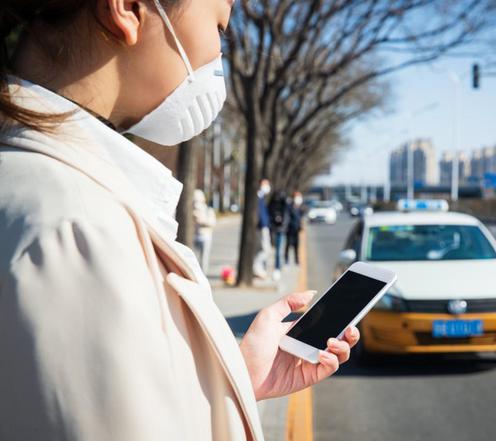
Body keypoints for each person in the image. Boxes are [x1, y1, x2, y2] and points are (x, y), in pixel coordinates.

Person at [0, 2, 360, 440]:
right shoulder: (82, 228)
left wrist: (237, 379)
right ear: (129, 9)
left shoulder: (46, 192)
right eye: (220, 29)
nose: (218, 57)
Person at [193, 189, 216, 274]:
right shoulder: (193, 211)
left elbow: (212, 222)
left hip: (206, 237)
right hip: (195, 237)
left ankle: (203, 276)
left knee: (204, 260)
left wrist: (202, 220)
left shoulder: (208, 210)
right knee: (194, 259)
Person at [253, 178, 271, 279]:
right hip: (261, 227)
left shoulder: (262, 197)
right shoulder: (257, 197)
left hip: (264, 226)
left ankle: (258, 269)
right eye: (265, 184)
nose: (267, 186)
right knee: (266, 249)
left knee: (262, 249)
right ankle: (256, 267)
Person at [268, 190, 289, 281]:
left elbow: (286, 217)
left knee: (279, 250)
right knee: (275, 249)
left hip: (281, 230)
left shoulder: (284, 206)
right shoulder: (271, 205)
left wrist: (282, 223)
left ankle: (278, 267)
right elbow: (269, 215)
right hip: (274, 229)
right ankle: (277, 267)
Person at [286, 191, 305, 266]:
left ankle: (296, 260)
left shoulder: (300, 207)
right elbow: (287, 217)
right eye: (297, 196)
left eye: (299, 196)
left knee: (296, 245)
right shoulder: (290, 206)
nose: (298, 198)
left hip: (297, 229)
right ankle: (286, 259)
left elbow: (302, 217)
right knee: (288, 245)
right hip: (289, 228)